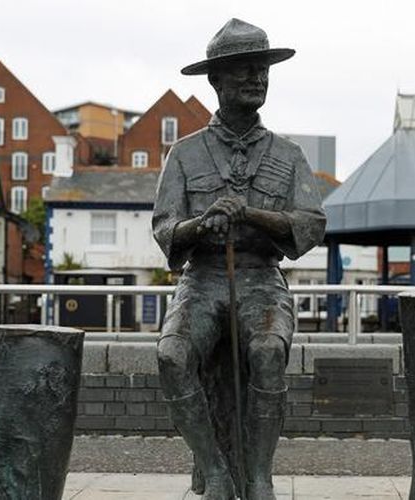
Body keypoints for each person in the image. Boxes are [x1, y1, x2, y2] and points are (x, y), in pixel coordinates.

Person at [152, 18, 326, 500]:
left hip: (261, 279)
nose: (257, 78)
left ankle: (259, 476)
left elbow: (310, 224)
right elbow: (165, 229)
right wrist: (200, 224)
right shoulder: (184, 154)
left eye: (263, 69)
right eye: (245, 69)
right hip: (202, 279)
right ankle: (214, 471)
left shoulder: (287, 155)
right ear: (216, 80)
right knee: (171, 354)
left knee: (268, 352)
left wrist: (250, 214)